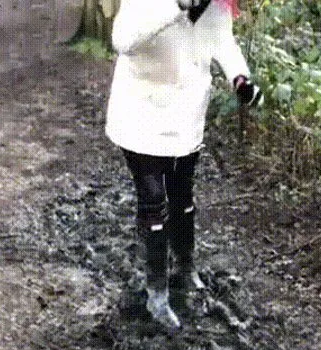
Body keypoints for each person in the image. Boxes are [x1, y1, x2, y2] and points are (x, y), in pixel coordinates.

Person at [105, 0, 263, 329]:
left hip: (186, 114)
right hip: (141, 112)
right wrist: (176, 6)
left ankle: (186, 267)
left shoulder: (217, 3)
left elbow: (222, 39)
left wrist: (240, 78)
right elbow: (123, 40)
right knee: (153, 202)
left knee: (183, 196)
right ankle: (156, 293)